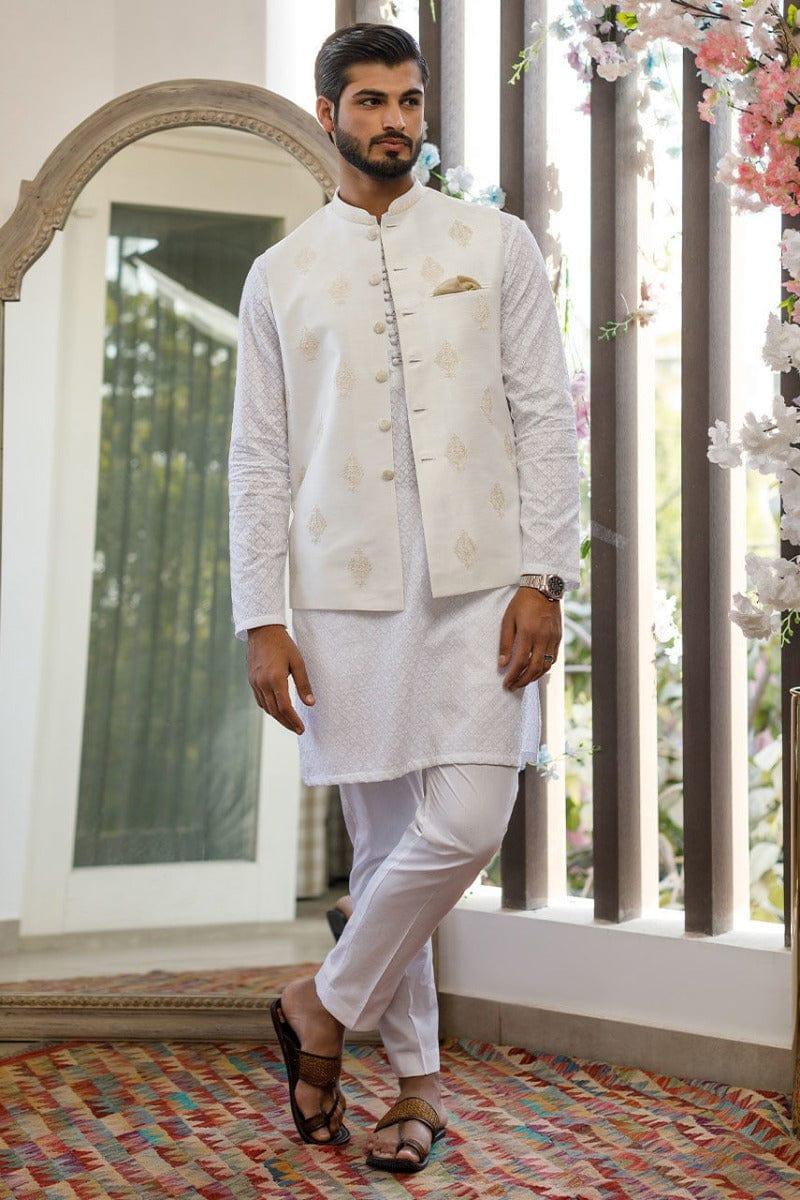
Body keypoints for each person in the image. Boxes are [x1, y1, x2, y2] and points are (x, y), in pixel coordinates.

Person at [228, 21, 581, 1174]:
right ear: (327, 112)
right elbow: (257, 460)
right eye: (372, 101)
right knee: (385, 851)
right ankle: (415, 1095)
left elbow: (544, 420)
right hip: (342, 598)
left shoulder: (495, 243)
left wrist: (543, 576)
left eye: (409, 100)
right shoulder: (282, 275)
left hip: (482, 589)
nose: (394, 120)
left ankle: (318, 1008)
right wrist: (260, 615)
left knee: (467, 821)